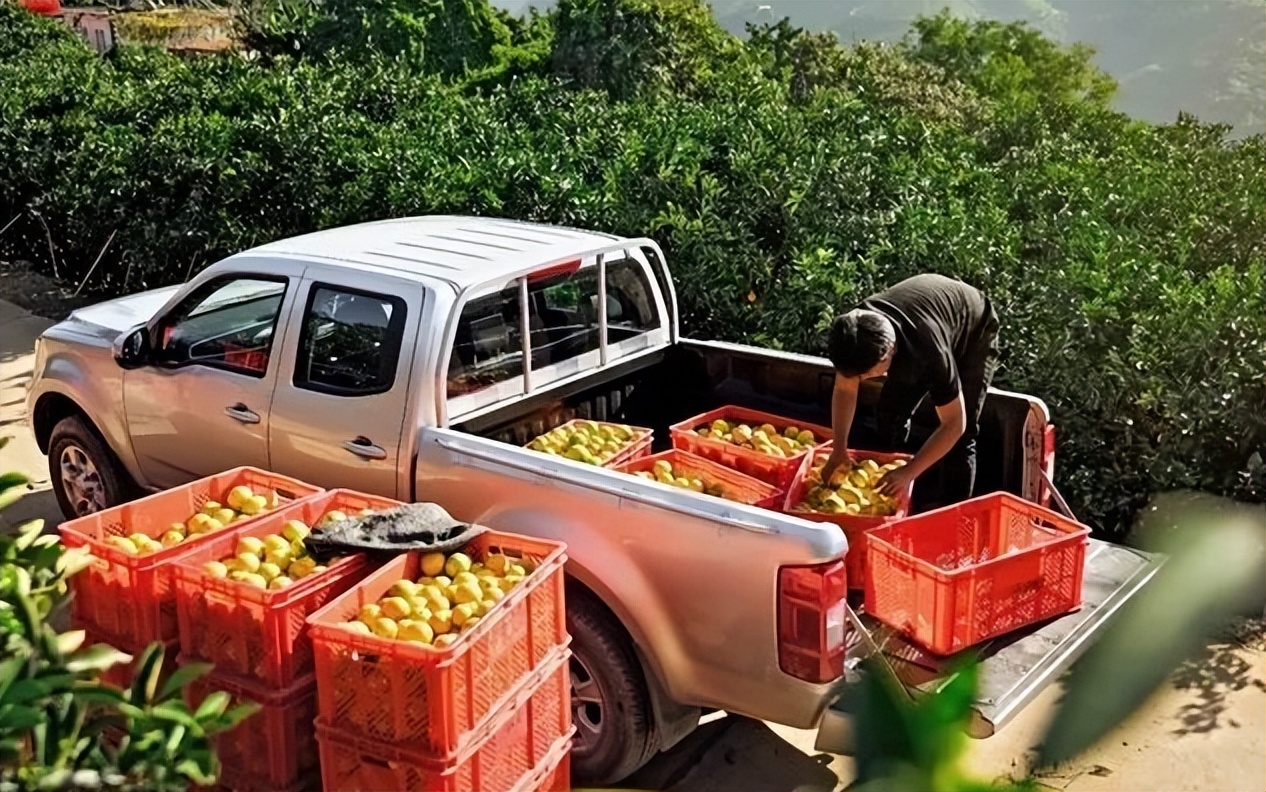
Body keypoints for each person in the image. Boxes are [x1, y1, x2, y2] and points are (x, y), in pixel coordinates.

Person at [820, 273, 1000, 509]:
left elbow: (955, 424)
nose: (860, 381)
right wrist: (839, 449)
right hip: (924, 320)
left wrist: (909, 472)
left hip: (975, 328)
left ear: (888, 355)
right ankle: (903, 484)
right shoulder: (856, 332)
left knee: (962, 440)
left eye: (865, 375)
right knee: (888, 418)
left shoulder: (929, 352)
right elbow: (845, 388)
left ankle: (951, 516)